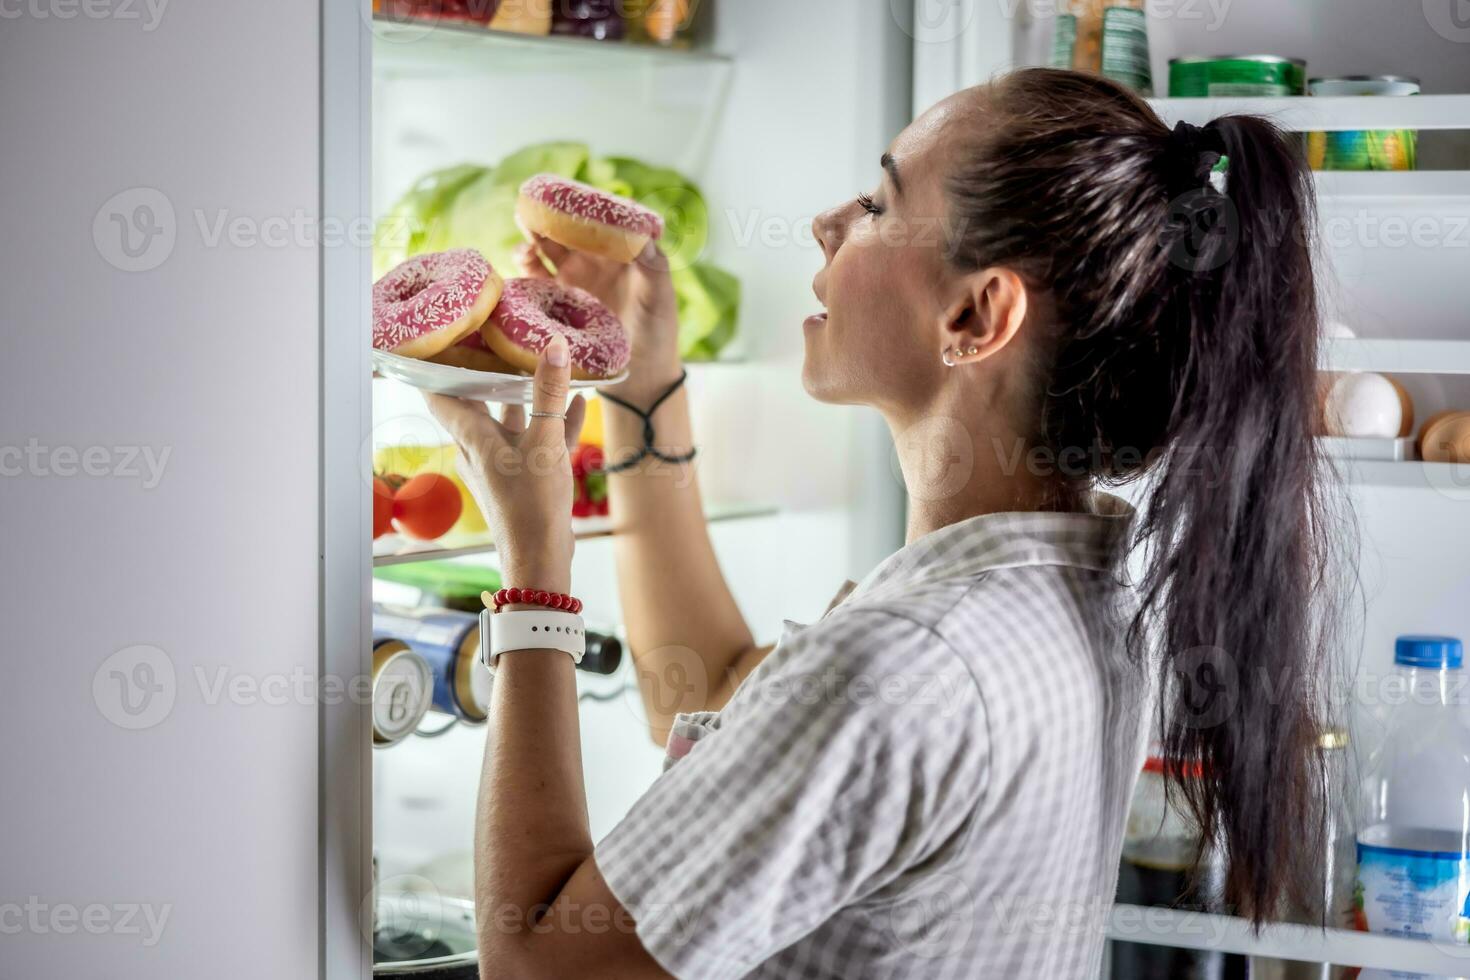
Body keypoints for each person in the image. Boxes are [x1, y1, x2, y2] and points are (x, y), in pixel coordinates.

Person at [425, 67, 1336, 979]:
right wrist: (641, 391)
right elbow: (707, 689)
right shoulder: (1069, 598)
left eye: (876, 202)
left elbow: (536, 963)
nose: (828, 221)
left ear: (975, 314)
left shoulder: (905, 660)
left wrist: (535, 569)